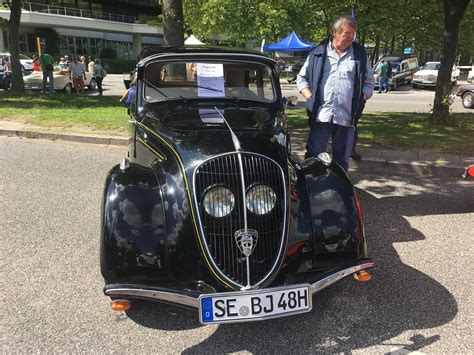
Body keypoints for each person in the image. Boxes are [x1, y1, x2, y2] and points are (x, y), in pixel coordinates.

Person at [296, 16, 375, 172]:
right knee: (314, 158)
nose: (351, 37)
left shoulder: (359, 55)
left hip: (346, 118)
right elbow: (301, 78)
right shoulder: (317, 52)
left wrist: (362, 98)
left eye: (353, 34)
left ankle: (340, 193)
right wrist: (310, 98)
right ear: (335, 33)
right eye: (347, 33)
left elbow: (369, 82)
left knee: (341, 162)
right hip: (321, 116)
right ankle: (312, 191)